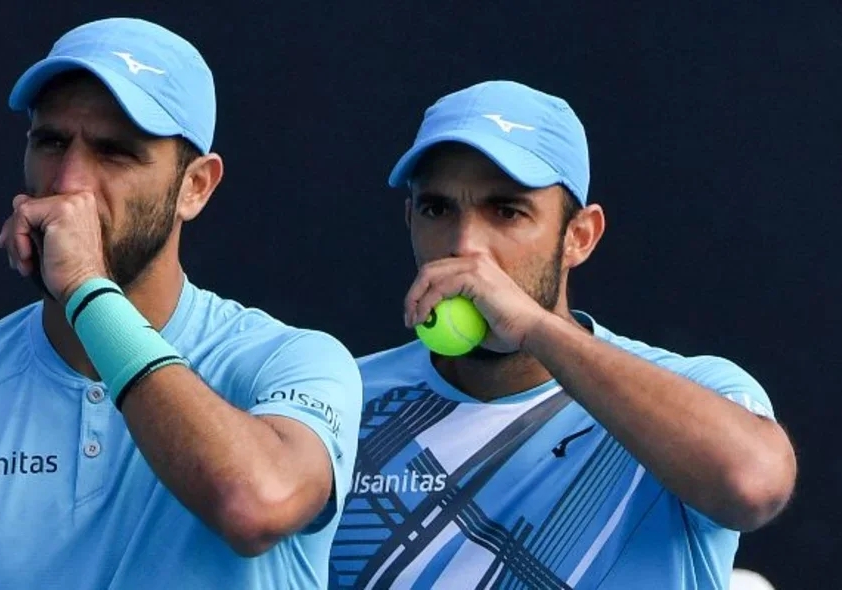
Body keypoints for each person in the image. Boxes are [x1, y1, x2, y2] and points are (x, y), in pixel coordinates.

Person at [0, 17, 361, 589]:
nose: (69, 182)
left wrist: (84, 286)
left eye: (115, 152)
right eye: (51, 142)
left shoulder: (292, 362)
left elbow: (256, 505)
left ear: (196, 187)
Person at [328, 81, 796, 589]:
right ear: (409, 220)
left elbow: (753, 485)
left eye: (507, 211)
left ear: (580, 236)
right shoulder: (342, 400)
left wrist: (533, 328)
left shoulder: (688, 392)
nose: (465, 245)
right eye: (437, 209)